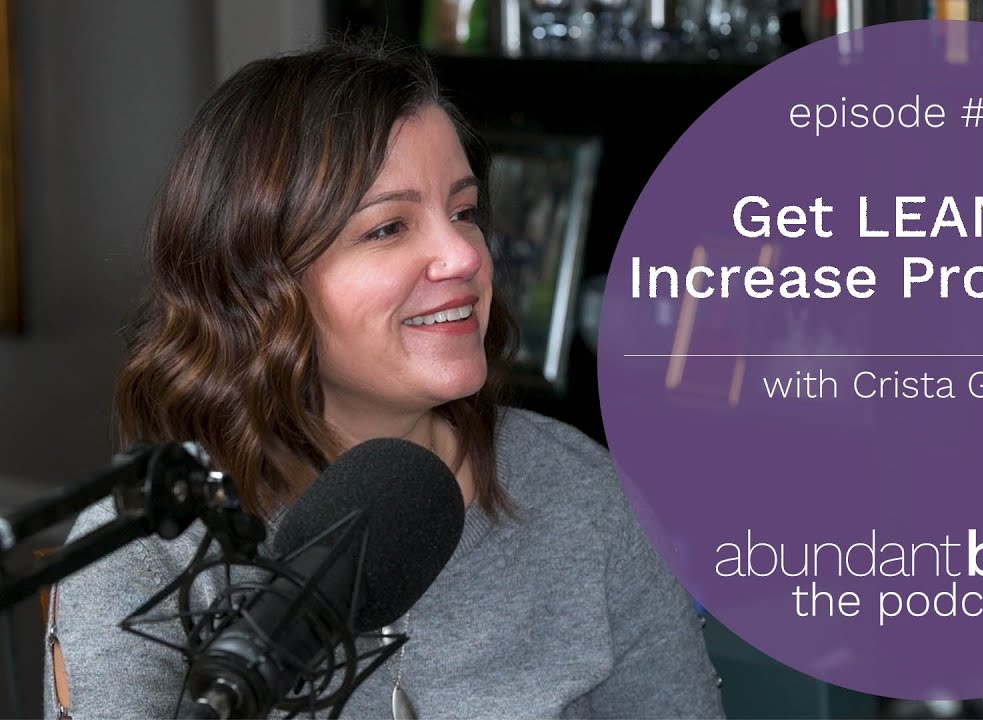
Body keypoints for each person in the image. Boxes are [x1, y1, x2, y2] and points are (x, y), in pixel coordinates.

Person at [44, 39, 724, 719]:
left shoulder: (582, 494)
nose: (463, 256)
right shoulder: (146, 556)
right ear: (256, 285)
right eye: (388, 228)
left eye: (464, 213)